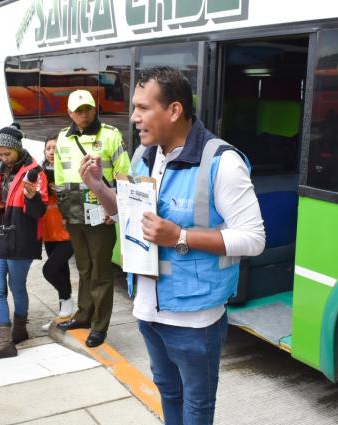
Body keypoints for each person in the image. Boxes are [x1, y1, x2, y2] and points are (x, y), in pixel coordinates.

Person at [78, 66, 265, 424]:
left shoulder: (222, 162)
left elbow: (254, 239)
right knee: (168, 392)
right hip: (147, 308)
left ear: (174, 110)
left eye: (143, 108)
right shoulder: (145, 156)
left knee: (196, 405)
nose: (134, 118)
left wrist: (178, 235)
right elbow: (129, 217)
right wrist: (99, 186)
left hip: (195, 317)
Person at [55, 89, 131, 348]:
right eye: (77, 110)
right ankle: (84, 315)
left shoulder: (110, 135)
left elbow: (124, 173)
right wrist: (64, 214)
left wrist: (115, 209)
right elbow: (60, 180)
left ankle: (100, 326)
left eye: (87, 108)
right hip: (74, 212)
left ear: (94, 108)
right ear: (69, 113)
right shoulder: (63, 138)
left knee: (100, 272)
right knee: (84, 268)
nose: (83, 114)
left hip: (101, 211)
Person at [0, 125, 47, 361]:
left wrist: (32, 197)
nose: (3, 158)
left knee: (17, 286)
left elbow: (39, 212)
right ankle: (3, 342)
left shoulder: (34, 172)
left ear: (18, 150)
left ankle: (20, 329)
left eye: (7, 153)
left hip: (22, 237)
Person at [41, 135, 74, 327]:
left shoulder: (70, 171)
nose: (52, 152)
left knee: (49, 270)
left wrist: (61, 190)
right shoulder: (39, 173)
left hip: (68, 232)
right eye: (48, 148)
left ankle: (67, 303)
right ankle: (65, 314)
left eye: (55, 148)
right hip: (49, 232)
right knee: (62, 271)